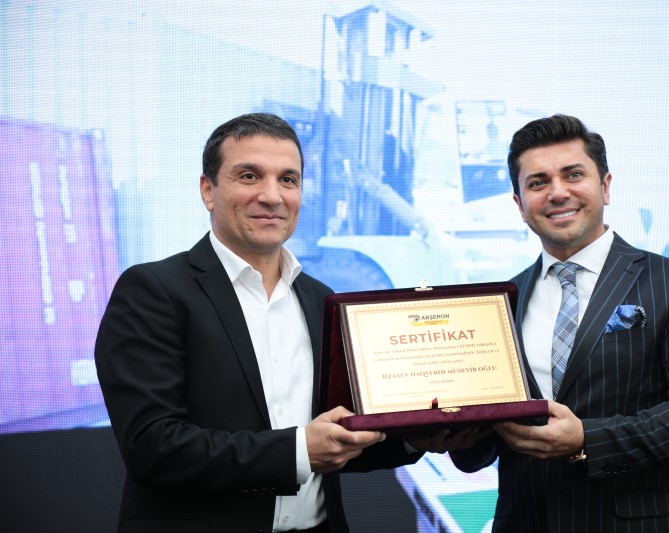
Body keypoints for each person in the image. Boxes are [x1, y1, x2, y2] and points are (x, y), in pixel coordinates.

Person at [95, 113, 472, 533]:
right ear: (208, 190)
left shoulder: (321, 299)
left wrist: (412, 437)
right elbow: (152, 447)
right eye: (249, 176)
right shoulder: (153, 291)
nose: (272, 196)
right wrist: (299, 452)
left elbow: (339, 438)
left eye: (288, 180)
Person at [449, 114, 669, 532]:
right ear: (519, 204)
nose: (557, 192)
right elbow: (485, 444)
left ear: (605, 186)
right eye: (538, 183)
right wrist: (456, 434)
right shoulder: (499, 305)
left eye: (573, 175)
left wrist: (588, 439)